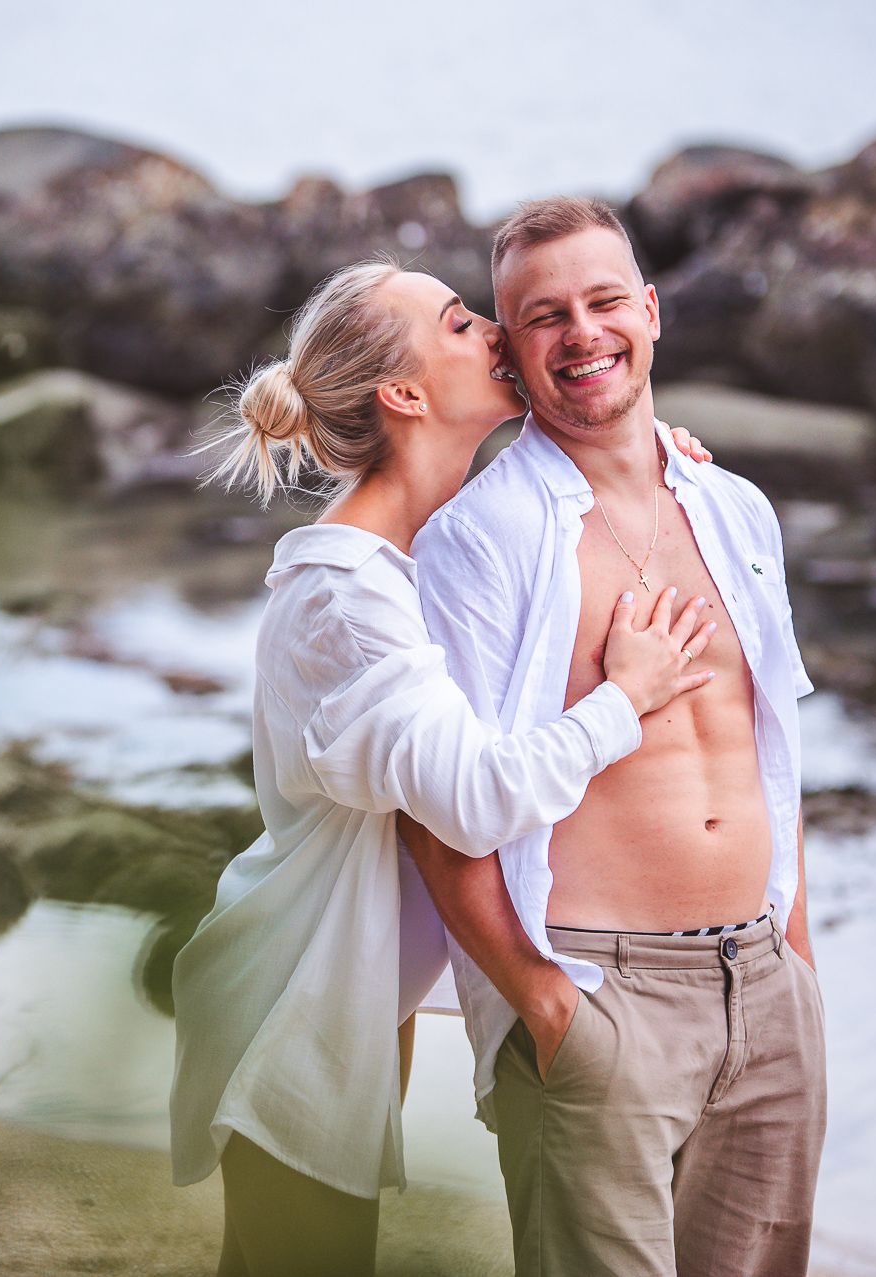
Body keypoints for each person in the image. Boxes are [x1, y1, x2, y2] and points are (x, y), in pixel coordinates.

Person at [168, 257, 720, 1277]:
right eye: (462, 323)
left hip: (346, 997)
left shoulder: (419, 555)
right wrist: (626, 698)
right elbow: (472, 799)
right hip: (292, 1003)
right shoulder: (345, 597)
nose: (497, 333)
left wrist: (656, 465)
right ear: (406, 394)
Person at [401, 197, 826, 1277]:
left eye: (602, 301)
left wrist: (798, 958)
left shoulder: (738, 508)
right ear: (510, 349)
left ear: (648, 309)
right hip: (598, 992)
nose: (582, 333)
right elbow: (439, 804)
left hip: (764, 986)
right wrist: (542, 1003)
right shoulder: (482, 538)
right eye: (545, 316)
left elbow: (775, 743)